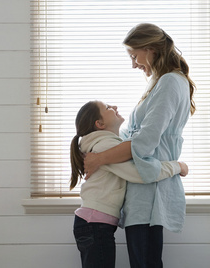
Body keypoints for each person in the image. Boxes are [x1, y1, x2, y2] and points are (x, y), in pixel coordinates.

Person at [83, 23, 196, 268]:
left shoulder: (169, 82)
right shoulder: (160, 83)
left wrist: (99, 158)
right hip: (142, 192)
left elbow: (144, 143)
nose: (133, 64)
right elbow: (134, 138)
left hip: (149, 193)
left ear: (151, 49)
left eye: (134, 56)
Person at [70, 100, 188, 268]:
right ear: (99, 123)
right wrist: (177, 166)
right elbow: (141, 173)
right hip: (94, 225)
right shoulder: (104, 146)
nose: (115, 107)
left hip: (94, 224)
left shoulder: (106, 144)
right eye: (108, 108)